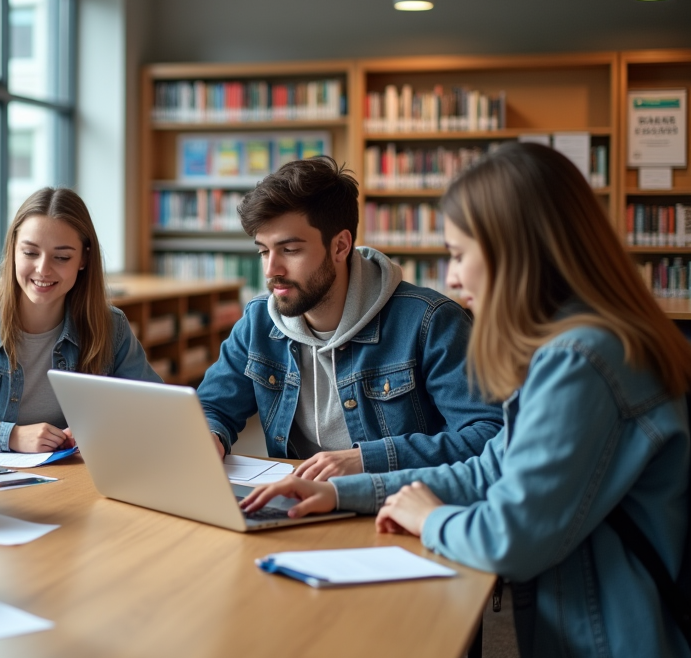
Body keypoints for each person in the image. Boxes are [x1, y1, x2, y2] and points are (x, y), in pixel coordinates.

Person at [241, 143, 691, 658]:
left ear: (517, 250)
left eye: (458, 253)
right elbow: (490, 468)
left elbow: (512, 539)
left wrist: (429, 519)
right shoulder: (581, 345)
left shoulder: (581, 360)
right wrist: (336, 493)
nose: (452, 277)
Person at [195, 156, 501, 479]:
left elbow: (489, 434)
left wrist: (368, 460)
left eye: (290, 250)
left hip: (393, 507)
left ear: (340, 246)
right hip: (300, 507)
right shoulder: (259, 322)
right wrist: (209, 436)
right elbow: (211, 408)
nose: (272, 271)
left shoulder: (430, 323)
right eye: (263, 251)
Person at [0, 187, 160, 453]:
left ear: (83, 258)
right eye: (30, 253)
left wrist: (100, 431)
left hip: (73, 481)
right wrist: (8, 436)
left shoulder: (110, 327)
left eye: (61, 257)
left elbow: (156, 412)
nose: (43, 269)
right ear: (13, 250)